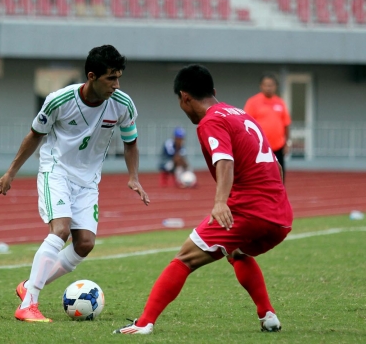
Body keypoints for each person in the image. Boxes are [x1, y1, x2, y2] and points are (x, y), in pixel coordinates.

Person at [114, 64, 293, 335]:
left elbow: (224, 160)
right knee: (237, 252)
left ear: (185, 97)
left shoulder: (211, 121)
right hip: (281, 215)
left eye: (180, 102)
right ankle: (267, 315)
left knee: (185, 258)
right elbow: (276, 164)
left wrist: (221, 202)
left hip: (249, 211)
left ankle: (143, 324)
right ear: (214, 91)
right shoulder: (241, 113)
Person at [0, 45, 150, 323]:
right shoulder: (59, 100)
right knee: (61, 230)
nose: (116, 85)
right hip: (56, 172)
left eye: (119, 78)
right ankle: (28, 304)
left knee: (85, 244)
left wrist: (133, 176)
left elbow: (131, 142)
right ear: (91, 76)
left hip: (89, 181)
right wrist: (11, 172)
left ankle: (28, 286)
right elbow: (34, 136)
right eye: (110, 78)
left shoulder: (123, 104)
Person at [244, 73, 291, 181]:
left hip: (278, 147)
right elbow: (246, 124)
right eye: (266, 85)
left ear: (276, 86)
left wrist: (287, 143)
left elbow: (286, 124)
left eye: (271, 85)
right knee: (260, 176)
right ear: (261, 86)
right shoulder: (253, 102)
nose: (268, 88)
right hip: (259, 148)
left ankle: (279, 197)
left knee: (279, 176)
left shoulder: (280, 102)